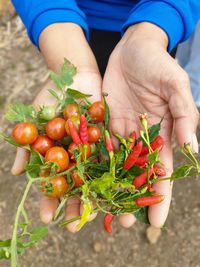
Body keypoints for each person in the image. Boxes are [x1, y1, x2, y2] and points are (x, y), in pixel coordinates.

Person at [11, 0, 200, 233]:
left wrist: (160, 21)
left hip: (154, 25)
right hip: (80, 19)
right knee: (100, 93)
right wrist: (55, 26)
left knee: (114, 97)